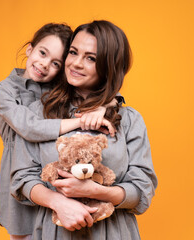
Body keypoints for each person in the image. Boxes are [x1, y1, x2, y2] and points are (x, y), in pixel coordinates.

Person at [11, 20, 158, 240]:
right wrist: (58, 202)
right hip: (53, 232)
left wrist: (97, 192)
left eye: (91, 58)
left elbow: (142, 188)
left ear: (110, 66)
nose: (76, 64)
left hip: (114, 233)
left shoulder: (129, 120)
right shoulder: (38, 112)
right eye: (73, 52)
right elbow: (22, 178)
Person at [0, 23, 121, 240]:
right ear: (29, 49)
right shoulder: (5, 90)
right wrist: (77, 123)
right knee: (22, 231)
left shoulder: (57, 88)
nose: (44, 65)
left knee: (51, 226)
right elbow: (29, 127)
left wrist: (105, 106)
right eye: (42, 53)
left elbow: (106, 94)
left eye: (55, 63)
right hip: (20, 168)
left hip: (50, 169)